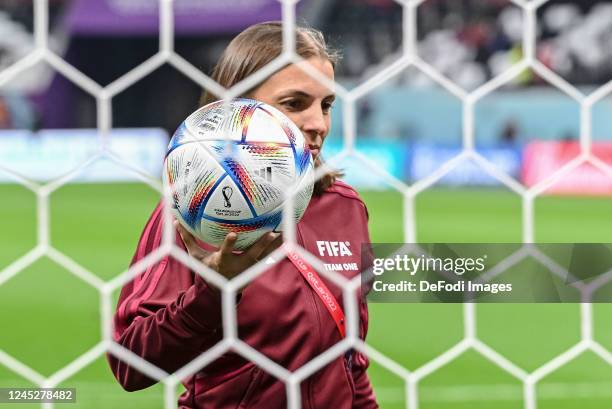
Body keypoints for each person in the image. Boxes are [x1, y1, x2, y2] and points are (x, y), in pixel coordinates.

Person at [108, 21, 379, 409]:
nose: (318, 124)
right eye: (294, 103)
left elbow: (350, 360)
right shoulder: (196, 214)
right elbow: (130, 367)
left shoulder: (346, 207)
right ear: (236, 109)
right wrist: (212, 293)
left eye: (326, 105)